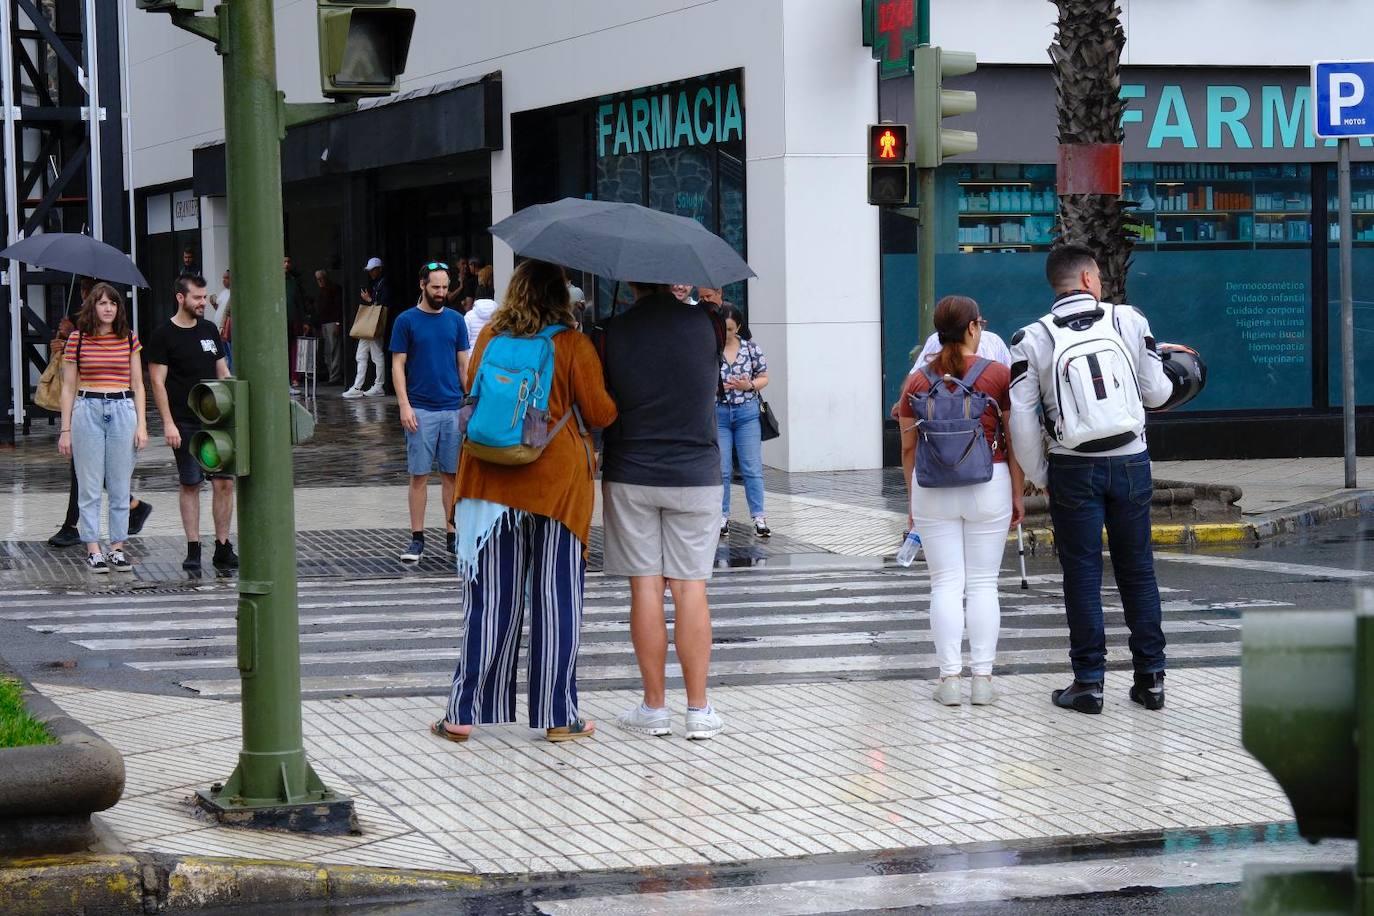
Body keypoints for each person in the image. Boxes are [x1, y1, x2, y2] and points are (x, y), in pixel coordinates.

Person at [432, 259, 618, 745]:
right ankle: (559, 715)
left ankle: (462, 712)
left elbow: (474, 394)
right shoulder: (573, 344)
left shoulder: (490, 336)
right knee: (556, 600)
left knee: (488, 602)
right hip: (556, 489)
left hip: (488, 486)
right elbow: (600, 411)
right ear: (562, 297)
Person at [1010, 244, 1174, 715]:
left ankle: (1088, 684)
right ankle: (1151, 679)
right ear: (1086, 280)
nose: (1100, 283)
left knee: (1081, 575)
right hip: (1131, 461)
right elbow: (1157, 393)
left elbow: (1022, 419)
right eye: (1098, 276)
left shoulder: (1032, 339)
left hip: (1072, 466)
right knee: (1137, 569)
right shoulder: (1128, 320)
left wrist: (1043, 475)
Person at [599, 281, 725, 740]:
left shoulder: (611, 330)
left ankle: (654, 708)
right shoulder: (709, 324)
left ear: (631, 281)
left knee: (646, 588)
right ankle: (698, 709)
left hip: (631, 470)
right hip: (696, 473)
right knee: (691, 589)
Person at [899, 296, 1024, 707]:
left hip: (932, 488)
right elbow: (1016, 439)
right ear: (973, 328)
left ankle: (949, 679)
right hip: (990, 482)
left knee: (945, 584)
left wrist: (913, 502)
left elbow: (907, 449)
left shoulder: (916, 382)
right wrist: (1018, 491)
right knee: (984, 583)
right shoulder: (999, 376)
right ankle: (983, 680)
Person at [146, 275, 239, 573]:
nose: (203, 303)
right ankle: (193, 547)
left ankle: (223, 547)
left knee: (224, 482)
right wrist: (169, 424)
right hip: (185, 422)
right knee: (191, 482)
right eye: (197, 298)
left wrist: (236, 399)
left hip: (217, 420)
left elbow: (222, 371)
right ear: (180, 298)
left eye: (204, 297)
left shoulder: (210, 330)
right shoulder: (163, 335)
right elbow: (157, 383)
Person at [57, 283, 148, 573]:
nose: (108, 308)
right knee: (90, 485)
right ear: (92, 307)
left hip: (123, 408)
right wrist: (65, 429)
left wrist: (142, 424)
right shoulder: (77, 340)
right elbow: (68, 386)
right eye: (102, 303)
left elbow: (138, 384)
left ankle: (117, 547)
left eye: (113, 303)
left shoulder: (128, 339)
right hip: (88, 407)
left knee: (121, 485)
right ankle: (93, 548)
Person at [390, 262, 471, 563]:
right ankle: (417, 538)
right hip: (420, 409)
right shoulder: (406, 320)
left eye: (445, 287)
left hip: (452, 408)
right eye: (435, 286)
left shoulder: (456, 320)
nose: (441, 292)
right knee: (419, 475)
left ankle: (452, 535)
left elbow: (463, 365)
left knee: (451, 475)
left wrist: (472, 400)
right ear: (422, 284)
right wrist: (404, 405)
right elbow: (398, 364)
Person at [716, 305, 771, 538]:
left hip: (747, 413)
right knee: (722, 469)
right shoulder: (711, 348)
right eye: (722, 328)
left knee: (752, 468)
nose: (726, 333)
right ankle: (721, 516)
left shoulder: (751, 348)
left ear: (738, 326)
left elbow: (764, 377)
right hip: (719, 412)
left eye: (730, 328)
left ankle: (759, 517)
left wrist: (747, 385)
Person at [343, 257, 390, 398]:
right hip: (371, 326)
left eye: (373, 270)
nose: (371, 273)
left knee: (376, 355)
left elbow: (383, 305)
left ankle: (378, 385)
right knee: (361, 355)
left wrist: (370, 300)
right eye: (370, 271)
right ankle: (358, 386)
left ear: (379, 269)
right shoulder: (378, 284)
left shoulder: (384, 284)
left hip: (374, 325)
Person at [912, 324, 1011, 372]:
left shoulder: (993, 340)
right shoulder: (935, 340)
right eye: (980, 323)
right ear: (972, 327)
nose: (981, 327)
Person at [314, 269, 345, 384]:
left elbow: (338, 307)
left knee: (334, 349)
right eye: (318, 279)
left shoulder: (334, 289)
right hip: (324, 323)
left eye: (321, 278)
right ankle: (331, 375)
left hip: (332, 322)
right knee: (327, 350)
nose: (320, 281)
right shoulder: (322, 291)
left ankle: (335, 376)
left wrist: (338, 323)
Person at [284, 256, 309, 394]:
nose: (286, 264)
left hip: (293, 321)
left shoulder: (293, 282)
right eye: (284, 262)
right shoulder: (275, 281)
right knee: (285, 351)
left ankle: (293, 378)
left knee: (294, 350)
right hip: (281, 322)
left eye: (288, 262)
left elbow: (300, 302)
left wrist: (305, 320)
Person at [209, 269, 233, 372]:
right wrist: (213, 303)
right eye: (223, 278)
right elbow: (219, 308)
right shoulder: (224, 292)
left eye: (226, 278)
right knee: (224, 354)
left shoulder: (233, 293)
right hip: (220, 328)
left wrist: (223, 325)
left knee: (230, 354)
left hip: (227, 329)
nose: (224, 280)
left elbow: (227, 312)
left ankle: (230, 373)